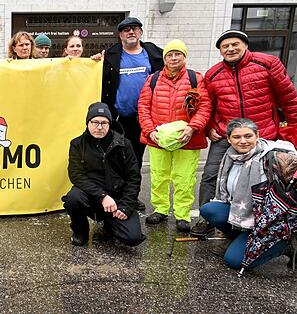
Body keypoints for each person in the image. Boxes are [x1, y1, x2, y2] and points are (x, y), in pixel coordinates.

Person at [192, 30, 297, 236]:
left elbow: (288, 96)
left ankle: (262, 220)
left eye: (235, 44)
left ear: (245, 45)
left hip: (263, 134)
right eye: (225, 46)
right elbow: (209, 104)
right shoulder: (213, 74)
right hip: (227, 133)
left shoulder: (268, 64)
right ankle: (206, 218)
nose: (230, 49)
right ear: (220, 51)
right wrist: (210, 127)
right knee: (211, 175)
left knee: (267, 178)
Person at [200, 118, 297, 270]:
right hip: (249, 216)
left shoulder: (277, 157)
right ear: (229, 139)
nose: (243, 141)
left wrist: (283, 204)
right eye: (236, 137)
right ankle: (242, 238)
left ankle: (286, 245)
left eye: (248, 136)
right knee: (209, 209)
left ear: (257, 136)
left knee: (234, 261)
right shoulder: (229, 157)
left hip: (273, 222)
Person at [137, 40, 212, 233]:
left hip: (187, 139)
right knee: (159, 176)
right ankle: (160, 209)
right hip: (159, 139)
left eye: (178, 54)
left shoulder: (195, 79)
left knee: (184, 178)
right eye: (170, 55)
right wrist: (150, 130)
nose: (173, 58)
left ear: (184, 56)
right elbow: (143, 107)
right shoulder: (153, 79)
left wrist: (193, 128)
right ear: (164, 58)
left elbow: (204, 106)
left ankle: (182, 214)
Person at [92, 17, 163, 212]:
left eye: (134, 29)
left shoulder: (155, 54)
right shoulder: (112, 54)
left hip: (145, 118)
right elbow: (95, 74)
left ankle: (132, 195)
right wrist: (93, 62)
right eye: (126, 30)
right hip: (118, 118)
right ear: (120, 35)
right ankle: (116, 193)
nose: (130, 32)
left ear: (140, 32)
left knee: (136, 160)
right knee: (115, 158)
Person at [62, 102, 146, 247]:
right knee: (73, 198)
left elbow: (133, 178)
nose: (99, 127)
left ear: (110, 124)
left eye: (104, 122)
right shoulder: (77, 144)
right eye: (95, 122)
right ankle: (80, 232)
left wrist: (125, 206)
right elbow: (76, 175)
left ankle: (110, 224)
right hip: (92, 196)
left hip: (117, 199)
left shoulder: (124, 145)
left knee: (132, 238)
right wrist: (102, 196)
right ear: (88, 123)